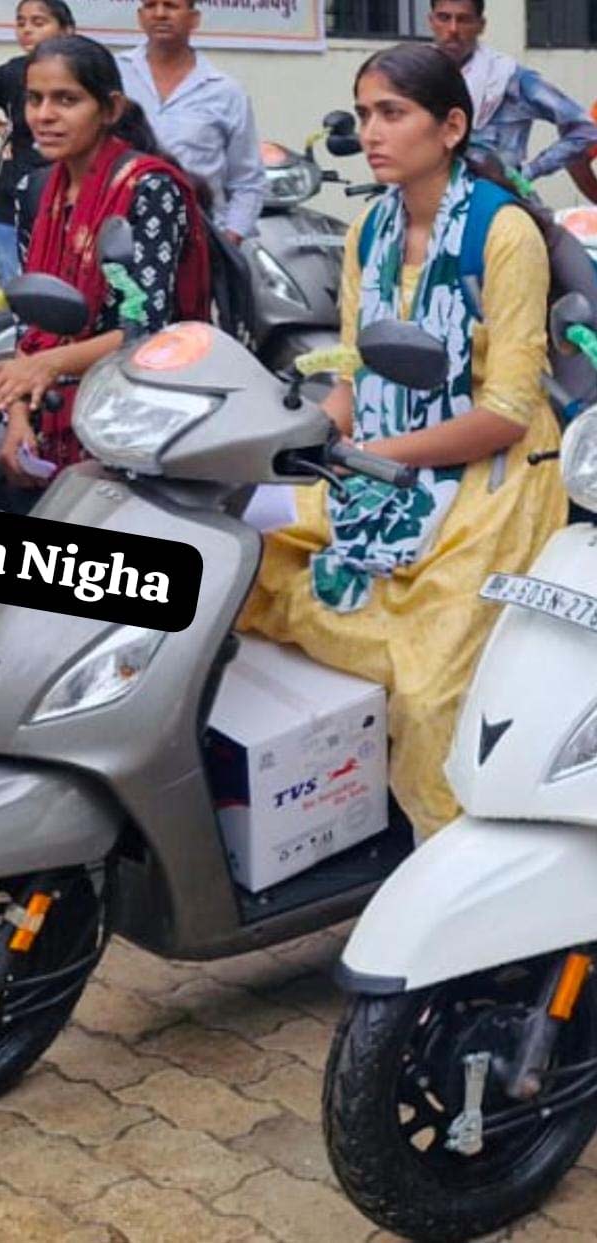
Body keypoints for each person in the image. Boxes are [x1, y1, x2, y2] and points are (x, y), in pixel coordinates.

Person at [240, 43, 567, 840]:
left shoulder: (504, 233)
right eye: (364, 114)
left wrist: (376, 459)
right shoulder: (370, 231)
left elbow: (507, 411)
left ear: (450, 127)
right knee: (250, 561)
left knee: (428, 689)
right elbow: (356, 375)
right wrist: (299, 441)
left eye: (393, 113)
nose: (372, 132)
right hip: (385, 458)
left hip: (494, 476)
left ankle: (447, 855)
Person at [0, 34, 210, 501]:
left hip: (127, 410)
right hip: (40, 403)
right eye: (35, 99)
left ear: (110, 109)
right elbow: (30, 324)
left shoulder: (148, 189)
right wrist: (18, 418)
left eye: (66, 100)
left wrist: (45, 367)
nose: (44, 115)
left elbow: (149, 332)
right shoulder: (35, 189)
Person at [117, 0, 264, 246]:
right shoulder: (114, 74)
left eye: (171, 6)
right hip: (119, 233)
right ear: (140, 16)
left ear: (194, 19)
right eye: (151, 6)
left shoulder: (225, 92)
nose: (160, 14)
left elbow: (247, 181)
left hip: (198, 239)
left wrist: (229, 239)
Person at [0, 0, 76, 287]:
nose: (27, 30)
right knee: (14, 286)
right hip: (12, 198)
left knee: (64, 286)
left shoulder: (84, 75)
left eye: (38, 22)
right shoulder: (12, 73)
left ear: (67, 30)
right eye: (21, 23)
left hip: (68, 198)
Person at [429, 0, 597, 187]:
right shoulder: (416, 77)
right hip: (426, 196)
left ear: (481, 25)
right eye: (444, 18)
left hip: (495, 198)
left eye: (464, 20)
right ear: (431, 21)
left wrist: (528, 173)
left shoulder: (507, 78)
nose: (452, 29)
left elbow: (585, 129)